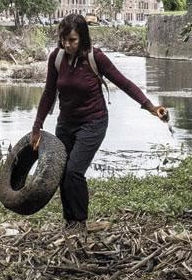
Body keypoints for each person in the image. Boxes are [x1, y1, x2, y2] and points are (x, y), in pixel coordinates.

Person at [31, 13, 168, 231]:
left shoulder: (96, 58)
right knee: (62, 171)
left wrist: (150, 106)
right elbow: (49, 93)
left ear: (83, 38)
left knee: (74, 171)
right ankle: (71, 222)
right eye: (64, 40)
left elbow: (124, 83)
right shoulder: (56, 58)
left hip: (93, 122)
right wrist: (36, 127)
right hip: (66, 123)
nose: (67, 45)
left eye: (73, 40)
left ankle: (80, 222)